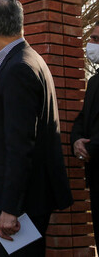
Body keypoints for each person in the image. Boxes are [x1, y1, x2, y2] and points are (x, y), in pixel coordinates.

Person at [0, 0, 72, 256]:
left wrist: (10, 208)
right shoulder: (27, 60)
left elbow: (20, 145)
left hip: (20, 208)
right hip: (23, 202)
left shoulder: (19, 68)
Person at [71, 21, 99, 243]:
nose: (90, 44)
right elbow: (83, 119)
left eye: (96, 40)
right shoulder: (94, 81)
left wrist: (92, 146)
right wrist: (77, 141)